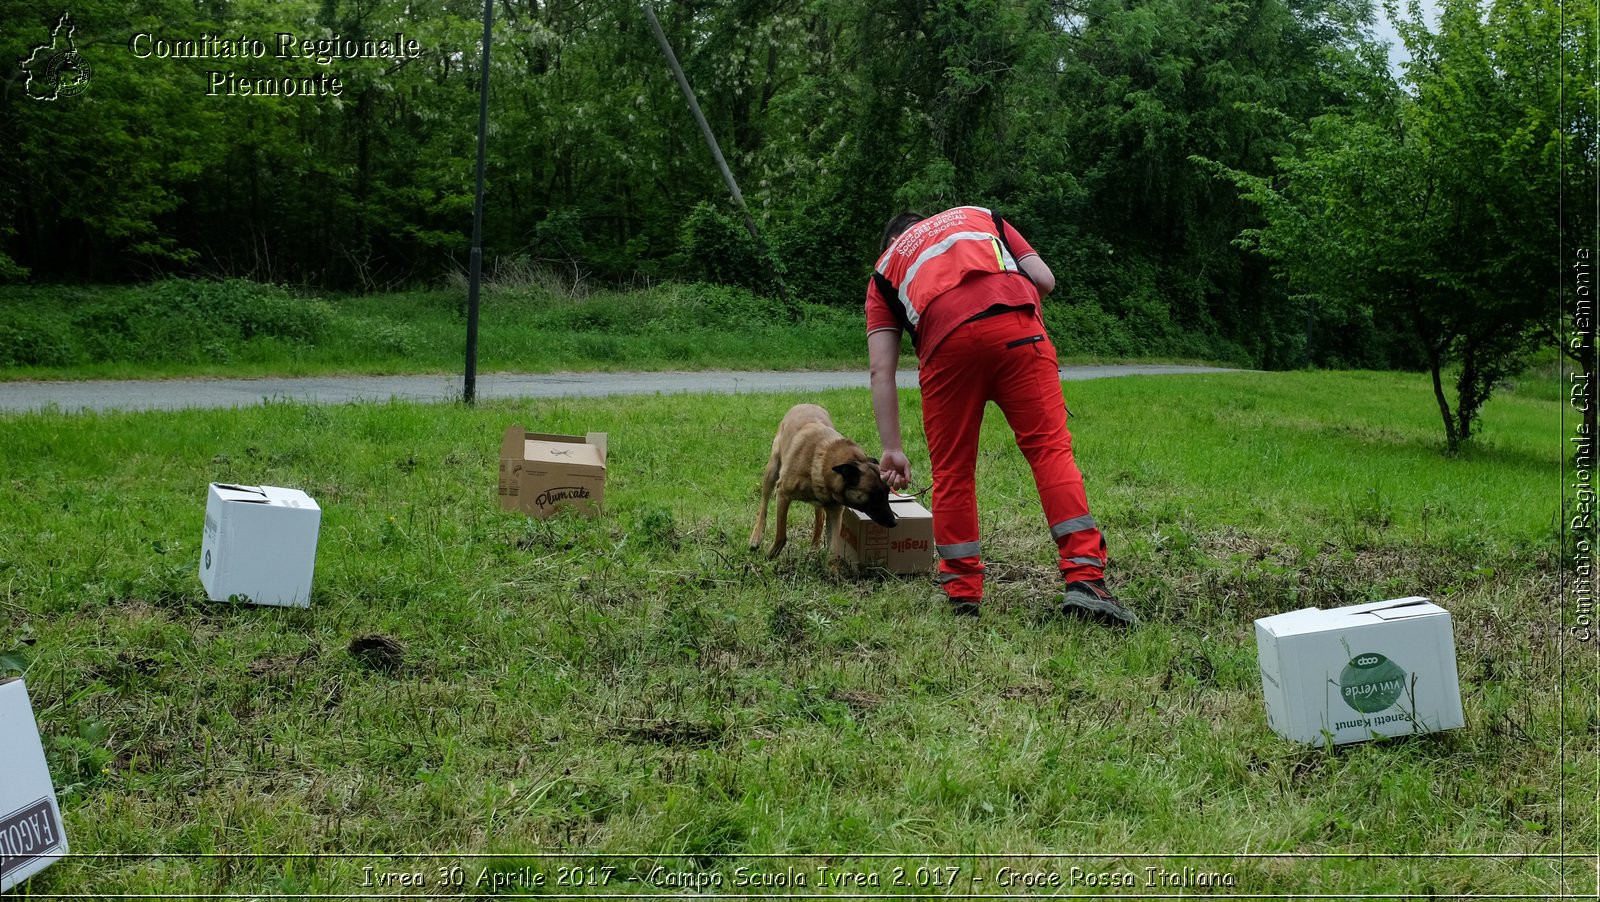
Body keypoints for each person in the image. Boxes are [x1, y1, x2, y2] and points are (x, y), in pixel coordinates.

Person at [865, 205, 1135, 625]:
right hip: (1018, 328)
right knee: (1049, 451)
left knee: (953, 473)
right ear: (927, 221)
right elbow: (1045, 280)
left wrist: (892, 448)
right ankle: (1086, 580)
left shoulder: (886, 268)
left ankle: (962, 594)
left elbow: (881, 369)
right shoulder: (980, 216)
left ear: (893, 241)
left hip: (947, 348)